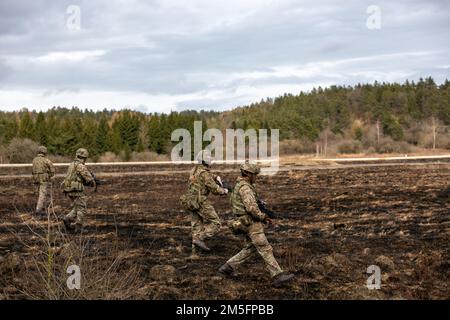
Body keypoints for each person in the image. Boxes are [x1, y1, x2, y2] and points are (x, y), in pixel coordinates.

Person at [219, 162, 294, 287]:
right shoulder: (245, 188)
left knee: (251, 247)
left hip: (243, 222)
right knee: (265, 248)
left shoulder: (240, 185)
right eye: (254, 174)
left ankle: (228, 267)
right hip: (251, 223)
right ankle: (278, 276)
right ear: (248, 174)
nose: (256, 177)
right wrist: (263, 217)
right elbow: (252, 209)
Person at [180, 150, 228, 256]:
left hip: (190, 201)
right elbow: (215, 189)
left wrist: (216, 177)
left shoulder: (194, 170)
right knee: (216, 223)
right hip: (200, 201)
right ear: (205, 161)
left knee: (196, 226)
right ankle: (200, 238)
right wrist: (224, 191)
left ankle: (195, 254)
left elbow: (205, 175)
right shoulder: (205, 174)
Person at [62, 148, 95, 233]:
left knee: (77, 207)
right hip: (77, 190)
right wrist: (93, 182)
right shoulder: (80, 166)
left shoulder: (72, 164)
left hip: (69, 189)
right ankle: (79, 227)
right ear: (84, 157)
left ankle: (67, 218)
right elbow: (88, 178)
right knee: (82, 208)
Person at [31, 146, 55, 216]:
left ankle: (41, 208)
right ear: (45, 152)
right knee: (42, 195)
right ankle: (39, 210)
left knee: (39, 194)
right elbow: (52, 170)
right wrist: (50, 176)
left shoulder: (34, 160)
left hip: (35, 179)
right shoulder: (46, 160)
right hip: (43, 179)